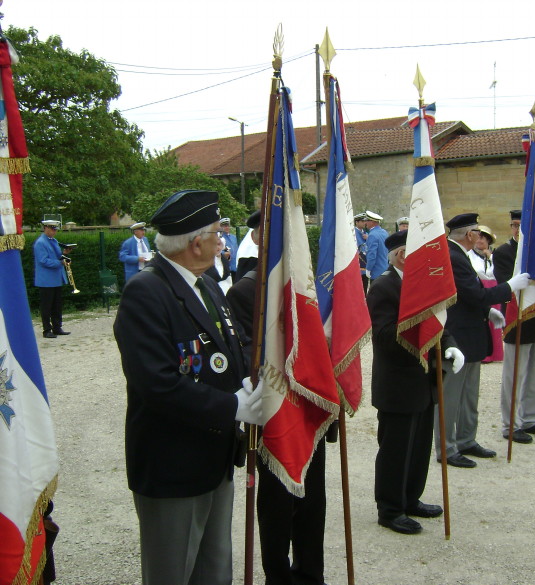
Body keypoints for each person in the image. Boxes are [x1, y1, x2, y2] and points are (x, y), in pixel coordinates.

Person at [113, 189, 264, 585]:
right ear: (196, 243)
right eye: (218, 233)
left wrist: (249, 377)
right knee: (173, 573)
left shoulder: (208, 284)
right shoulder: (146, 292)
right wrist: (231, 407)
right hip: (173, 464)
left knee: (214, 571)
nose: (223, 241)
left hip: (215, 457)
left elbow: (235, 344)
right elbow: (157, 384)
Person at [226, 209, 329, 584]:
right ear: (257, 238)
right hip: (276, 412)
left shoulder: (307, 281)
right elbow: (248, 355)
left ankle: (311, 573)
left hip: (310, 408)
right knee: (277, 505)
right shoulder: (245, 291)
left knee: (313, 501)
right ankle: (278, 575)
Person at [366, 230, 465, 535]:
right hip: (398, 382)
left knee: (420, 445)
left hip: (425, 380)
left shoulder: (423, 284)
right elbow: (383, 337)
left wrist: (449, 344)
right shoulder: (383, 287)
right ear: (400, 255)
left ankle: (411, 498)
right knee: (396, 448)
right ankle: (390, 508)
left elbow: (439, 320)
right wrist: (419, 327)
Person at [434, 213, 529, 468]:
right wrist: (510, 286)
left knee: (468, 395)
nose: (479, 235)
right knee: (451, 396)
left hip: (470, 332)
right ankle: (447, 447)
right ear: (469, 235)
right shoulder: (453, 257)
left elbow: (465, 296)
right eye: (476, 231)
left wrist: (487, 311)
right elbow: (473, 294)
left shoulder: (460, 255)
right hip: (457, 335)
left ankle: (466, 439)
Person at [492, 210, 535, 443]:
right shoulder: (505, 252)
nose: (517, 230)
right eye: (514, 225)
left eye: (521, 226)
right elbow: (505, 285)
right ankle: (511, 423)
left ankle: (529, 417)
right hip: (519, 320)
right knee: (515, 375)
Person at [467, 225, 503, 363]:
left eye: (483, 238)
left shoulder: (494, 256)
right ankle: (484, 352)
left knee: (495, 321)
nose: (479, 240)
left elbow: (497, 272)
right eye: (478, 237)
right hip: (479, 288)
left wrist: (490, 257)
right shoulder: (470, 255)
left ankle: (495, 353)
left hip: (493, 289)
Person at [33, 220, 70, 338]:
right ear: (46, 228)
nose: (54, 232)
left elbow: (57, 255)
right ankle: (47, 330)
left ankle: (57, 327)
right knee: (46, 306)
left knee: (57, 305)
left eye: (55, 230)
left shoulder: (54, 241)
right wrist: (60, 263)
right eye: (52, 229)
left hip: (56, 278)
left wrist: (65, 253)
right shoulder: (40, 243)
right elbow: (43, 261)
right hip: (46, 280)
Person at [364, 210, 389, 282]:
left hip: (376, 271)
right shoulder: (384, 232)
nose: (366, 223)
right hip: (385, 268)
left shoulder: (372, 235)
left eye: (367, 221)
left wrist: (368, 269)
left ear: (372, 222)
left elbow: (372, 255)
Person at [354, 213, 369, 293]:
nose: (364, 223)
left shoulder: (366, 233)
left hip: (365, 262)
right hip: (357, 262)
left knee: (365, 285)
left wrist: (368, 238)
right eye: (362, 221)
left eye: (365, 221)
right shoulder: (353, 232)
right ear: (357, 222)